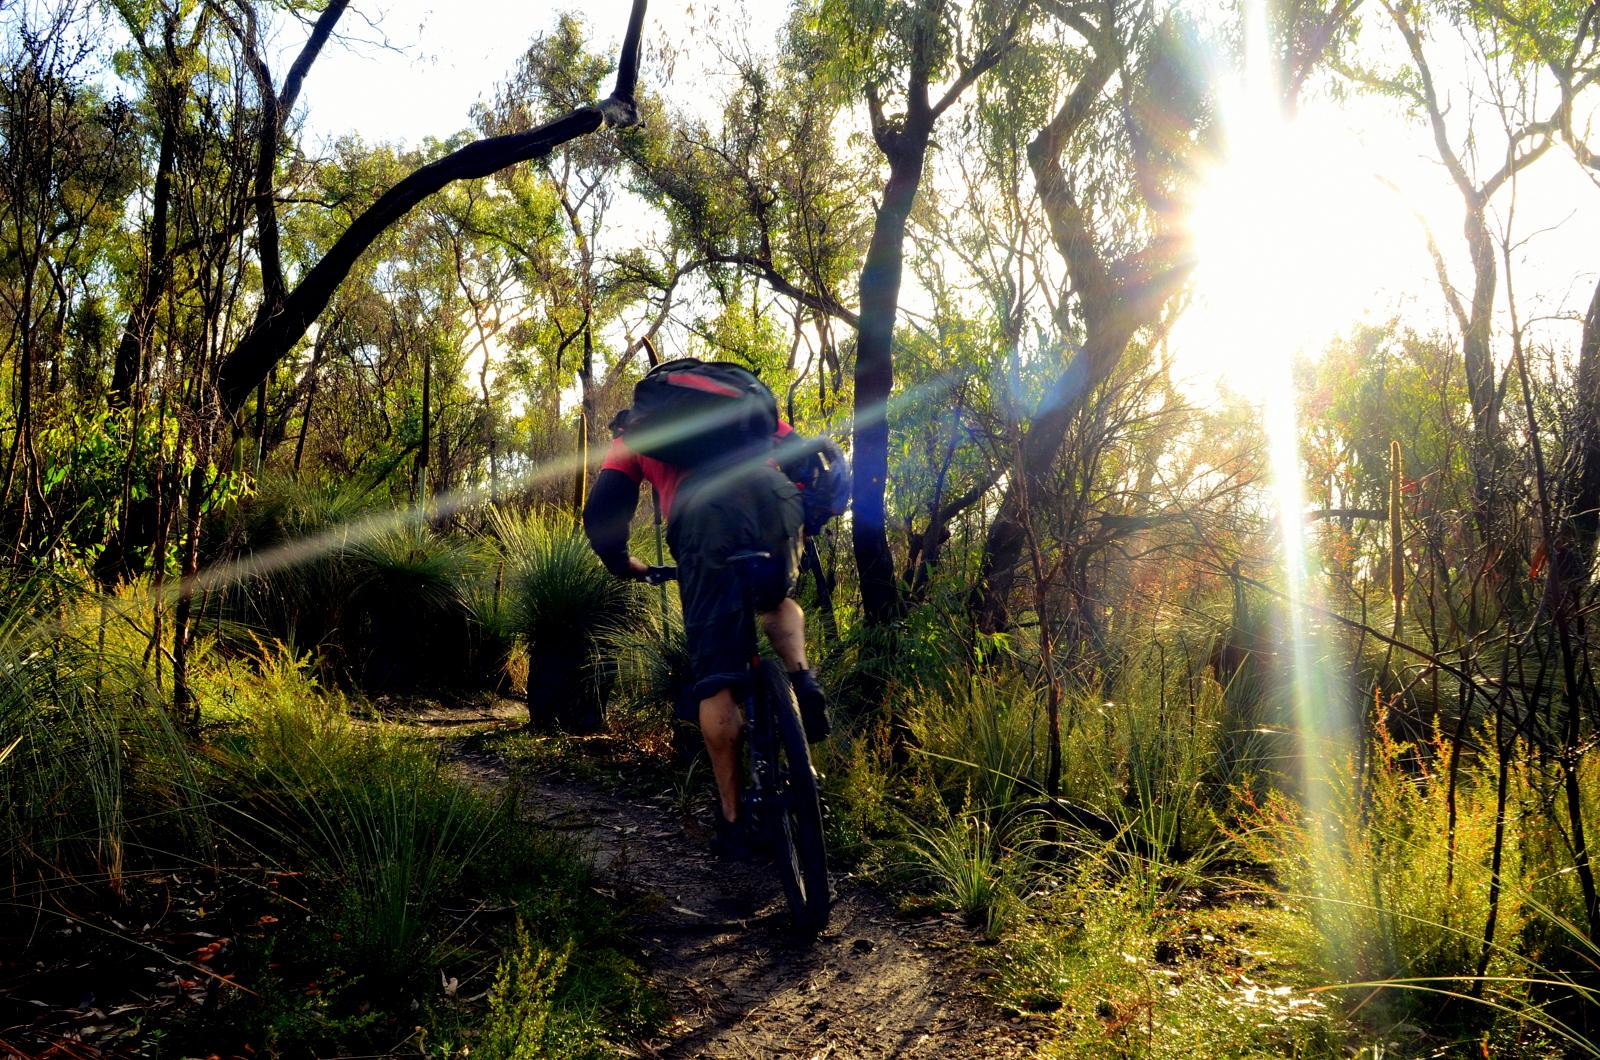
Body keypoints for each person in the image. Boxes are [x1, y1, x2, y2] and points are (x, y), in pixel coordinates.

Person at [582, 409, 830, 858]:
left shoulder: (642, 427)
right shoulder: (740, 410)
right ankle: (801, 678)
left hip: (704, 523)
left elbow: (603, 510)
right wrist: (804, 518)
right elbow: (809, 460)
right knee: (775, 602)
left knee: (717, 680)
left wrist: (621, 562)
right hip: (773, 506)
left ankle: (734, 822)